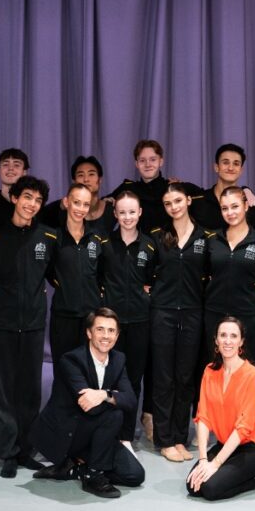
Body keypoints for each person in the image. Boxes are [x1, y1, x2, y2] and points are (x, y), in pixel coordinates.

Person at [0, 176, 57, 478]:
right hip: (1, 324)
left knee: (29, 391)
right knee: (3, 391)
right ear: (14, 198)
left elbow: (55, 275)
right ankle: (8, 452)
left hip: (34, 324)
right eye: (27, 197)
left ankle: (26, 450)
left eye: (37, 200)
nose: (31, 205)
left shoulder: (48, 237)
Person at [30, 308, 146, 498]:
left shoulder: (118, 359)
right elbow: (90, 407)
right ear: (89, 333)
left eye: (111, 331)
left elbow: (131, 401)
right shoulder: (72, 360)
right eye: (100, 329)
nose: (106, 336)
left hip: (98, 433)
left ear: (117, 336)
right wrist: (115, 398)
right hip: (69, 433)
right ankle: (92, 475)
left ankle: (74, 469)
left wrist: (103, 394)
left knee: (135, 475)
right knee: (115, 414)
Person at [148, 183, 208, 463]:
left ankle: (180, 437)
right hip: (163, 313)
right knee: (164, 377)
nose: (174, 207)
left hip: (193, 313)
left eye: (178, 201)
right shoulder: (158, 237)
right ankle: (164, 439)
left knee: (185, 378)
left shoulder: (205, 237)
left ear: (188, 201)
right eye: (168, 203)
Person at [186, 317, 255, 501]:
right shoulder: (210, 371)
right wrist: (203, 460)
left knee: (210, 489)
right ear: (216, 340)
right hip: (225, 444)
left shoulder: (254, 375)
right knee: (193, 486)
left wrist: (216, 464)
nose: (228, 341)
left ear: (241, 342)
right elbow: (203, 417)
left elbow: (244, 427)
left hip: (252, 449)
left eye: (233, 336)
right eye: (223, 335)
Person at [101, 190, 157, 444]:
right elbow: (97, 277)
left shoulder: (149, 245)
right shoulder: (105, 244)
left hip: (139, 322)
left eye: (132, 212)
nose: (127, 217)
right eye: (122, 212)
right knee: (110, 378)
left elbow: (154, 278)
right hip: (111, 326)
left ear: (140, 212)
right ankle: (108, 432)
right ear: (115, 214)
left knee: (133, 379)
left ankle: (126, 436)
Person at [203, 186, 255, 364]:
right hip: (214, 314)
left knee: (246, 367)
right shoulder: (212, 239)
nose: (230, 213)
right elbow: (204, 273)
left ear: (246, 206)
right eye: (225, 208)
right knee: (215, 366)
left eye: (235, 206)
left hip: (246, 315)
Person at [47, 183, 106, 362]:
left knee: (88, 369)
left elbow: (102, 271)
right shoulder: (54, 237)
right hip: (63, 316)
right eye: (76, 202)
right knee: (63, 367)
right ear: (66, 202)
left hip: (91, 317)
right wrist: (62, 285)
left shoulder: (97, 238)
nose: (81, 209)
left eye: (86, 204)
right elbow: (48, 270)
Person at [188, 144, 255, 233]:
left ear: (241, 170)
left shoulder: (250, 203)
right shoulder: (197, 202)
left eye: (236, 164)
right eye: (225, 162)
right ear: (216, 167)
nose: (230, 168)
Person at [40, 156, 115, 235]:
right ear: (74, 181)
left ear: (99, 180)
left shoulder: (112, 209)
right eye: (81, 175)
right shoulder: (62, 211)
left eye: (91, 174)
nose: (86, 179)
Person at [109, 139, 171, 233]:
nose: (148, 164)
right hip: (136, 242)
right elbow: (104, 203)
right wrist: (107, 201)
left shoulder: (172, 189)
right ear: (137, 164)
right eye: (142, 160)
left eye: (153, 159)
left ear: (161, 161)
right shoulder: (127, 189)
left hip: (168, 241)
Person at [0, 148, 29, 231]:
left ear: (24, 172)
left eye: (16, 165)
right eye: (5, 164)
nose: (10, 168)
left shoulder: (31, 205)